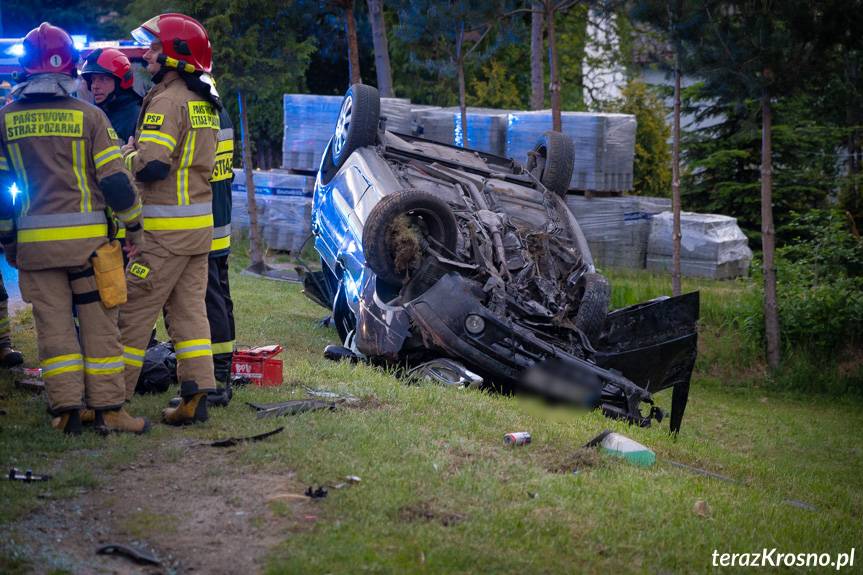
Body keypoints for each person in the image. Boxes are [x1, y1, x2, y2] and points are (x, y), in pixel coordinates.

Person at [0, 23, 148, 435]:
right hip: (90, 249)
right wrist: (134, 227)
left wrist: (9, 240)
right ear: (71, 68)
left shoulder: (5, 121)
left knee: (54, 329)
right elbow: (116, 182)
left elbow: (2, 196)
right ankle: (110, 411)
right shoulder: (90, 116)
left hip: (36, 250)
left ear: (24, 69)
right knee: (101, 327)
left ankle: (67, 411)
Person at [119, 13, 220, 425]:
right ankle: (195, 397)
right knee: (189, 314)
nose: (146, 55)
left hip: (163, 235)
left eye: (154, 48)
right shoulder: (204, 101)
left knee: (132, 313)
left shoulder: (168, 101)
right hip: (196, 232)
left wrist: (126, 154)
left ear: (176, 55)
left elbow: (153, 166)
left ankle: (108, 402)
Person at [80, 49, 141, 144]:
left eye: (103, 79)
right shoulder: (95, 114)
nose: (95, 86)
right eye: (93, 79)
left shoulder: (136, 117)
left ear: (120, 82)